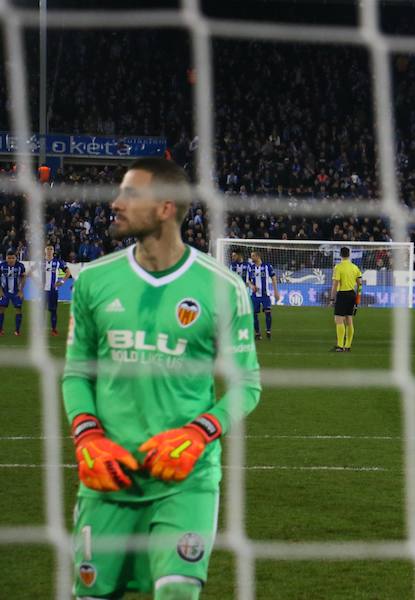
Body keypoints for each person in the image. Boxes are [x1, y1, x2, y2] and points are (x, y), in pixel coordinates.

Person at [62, 157, 261, 600]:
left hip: (184, 480)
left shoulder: (223, 289)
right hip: (108, 478)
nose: (115, 203)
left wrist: (198, 432)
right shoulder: (95, 281)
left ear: (165, 208)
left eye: (131, 195)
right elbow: (76, 373)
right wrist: (87, 436)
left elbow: (247, 384)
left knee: (176, 592)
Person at [330, 246, 362, 352]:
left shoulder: (338, 267)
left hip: (342, 295)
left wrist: (332, 299)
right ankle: (347, 346)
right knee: (349, 320)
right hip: (352, 295)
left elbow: (335, 284)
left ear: (340, 255)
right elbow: (360, 284)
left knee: (338, 319)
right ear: (349, 255)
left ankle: (340, 346)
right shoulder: (354, 267)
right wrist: (358, 297)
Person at [248, 251, 280, 340]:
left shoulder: (267, 266)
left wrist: (276, 291)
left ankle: (268, 331)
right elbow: (248, 281)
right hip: (254, 296)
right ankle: (258, 334)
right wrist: (252, 286)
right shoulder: (251, 268)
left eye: (253, 256)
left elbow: (273, 278)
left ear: (258, 256)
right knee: (254, 315)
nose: (251, 258)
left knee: (268, 313)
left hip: (265, 295)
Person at [43, 244, 71, 336]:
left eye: (51, 249)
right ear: (45, 251)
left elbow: (68, 272)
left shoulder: (58, 262)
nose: (50, 250)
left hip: (53, 290)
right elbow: (31, 272)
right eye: (48, 249)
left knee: (53, 310)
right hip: (42, 291)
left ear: (53, 251)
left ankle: (54, 329)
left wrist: (62, 281)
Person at [0, 250, 26, 336]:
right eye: (9, 258)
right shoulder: (2, 265)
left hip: (16, 292)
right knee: (1, 309)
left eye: (13, 258)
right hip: (4, 292)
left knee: (18, 309)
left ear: (16, 258)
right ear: (6, 258)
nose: (11, 260)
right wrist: (0, 291)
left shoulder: (20, 266)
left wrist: (21, 291)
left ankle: (17, 330)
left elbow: (23, 277)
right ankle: (1, 330)